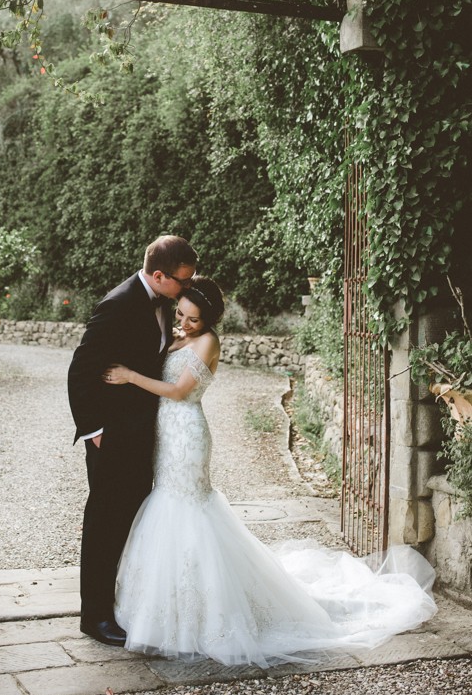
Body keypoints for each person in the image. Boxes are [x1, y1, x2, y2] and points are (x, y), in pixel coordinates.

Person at [103, 276, 437, 667]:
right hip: (166, 435)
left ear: (208, 319)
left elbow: (178, 391)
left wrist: (129, 376)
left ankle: (206, 616)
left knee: (188, 508)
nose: (185, 323)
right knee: (168, 505)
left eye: (193, 319)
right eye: (181, 314)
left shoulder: (209, 341)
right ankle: (166, 608)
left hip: (188, 437)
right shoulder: (177, 333)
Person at [67, 234, 198, 647]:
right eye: (183, 280)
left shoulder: (164, 304)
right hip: (113, 436)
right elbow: (80, 370)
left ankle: (123, 604)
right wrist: (94, 432)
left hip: (143, 434)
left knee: (133, 521)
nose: (188, 287)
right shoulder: (119, 303)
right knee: (105, 523)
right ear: (158, 275)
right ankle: (95, 616)